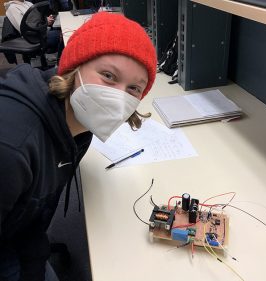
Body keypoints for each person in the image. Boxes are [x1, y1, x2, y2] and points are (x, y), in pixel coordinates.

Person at [0, 11, 157, 281]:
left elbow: (34, 209)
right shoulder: (13, 148)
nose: (118, 97)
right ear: (75, 68)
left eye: (134, 88)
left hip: (20, 233)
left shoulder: (78, 125)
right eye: (108, 75)